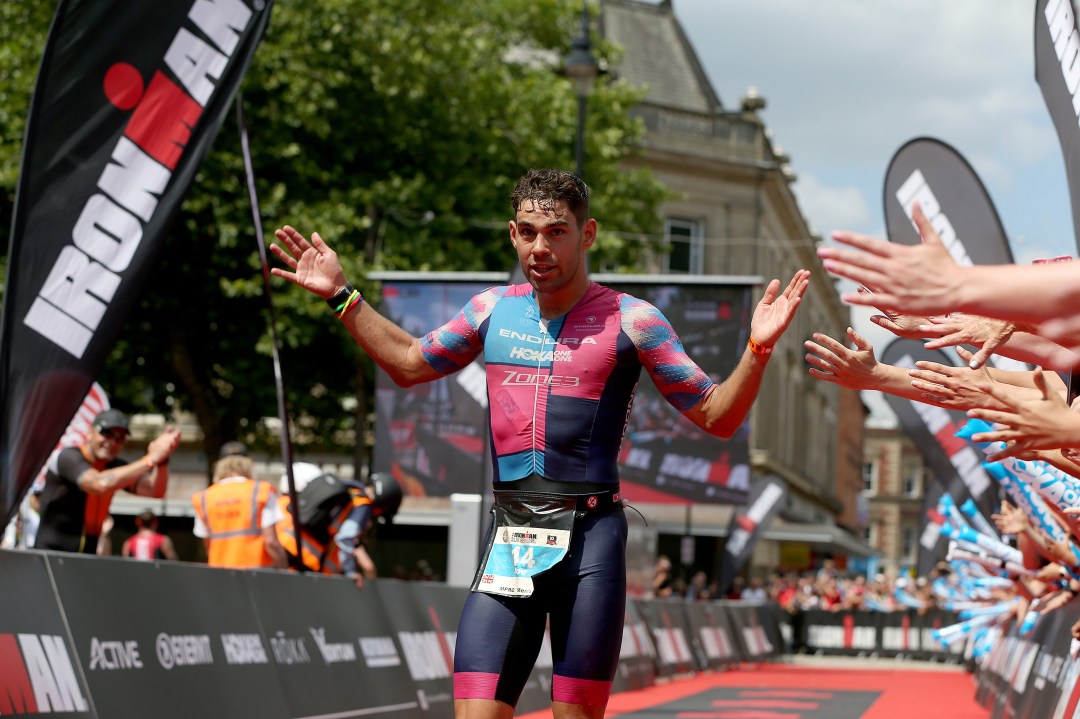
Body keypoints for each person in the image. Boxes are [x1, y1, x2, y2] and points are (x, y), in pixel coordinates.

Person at [271, 168, 809, 719]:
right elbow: (411, 363)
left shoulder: (635, 320)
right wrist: (342, 296)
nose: (540, 247)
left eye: (556, 231)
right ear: (512, 233)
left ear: (588, 233)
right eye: (528, 232)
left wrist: (757, 350)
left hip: (592, 541)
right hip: (511, 537)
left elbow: (716, 416)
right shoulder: (489, 311)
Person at [33, 409, 180, 554]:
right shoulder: (68, 457)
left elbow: (154, 491)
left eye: (120, 438)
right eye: (106, 432)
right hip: (50, 555)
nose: (112, 442)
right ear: (90, 432)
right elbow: (99, 483)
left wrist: (162, 460)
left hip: (85, 559)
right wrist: (150, 459)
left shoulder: (115, 466)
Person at [191, 453, 287, 569]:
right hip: (257, 571)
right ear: (248, 465)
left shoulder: (203, 498)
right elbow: (271, 541)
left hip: (220, 572)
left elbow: (207, 543)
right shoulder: (261, 491)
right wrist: (284, 570)